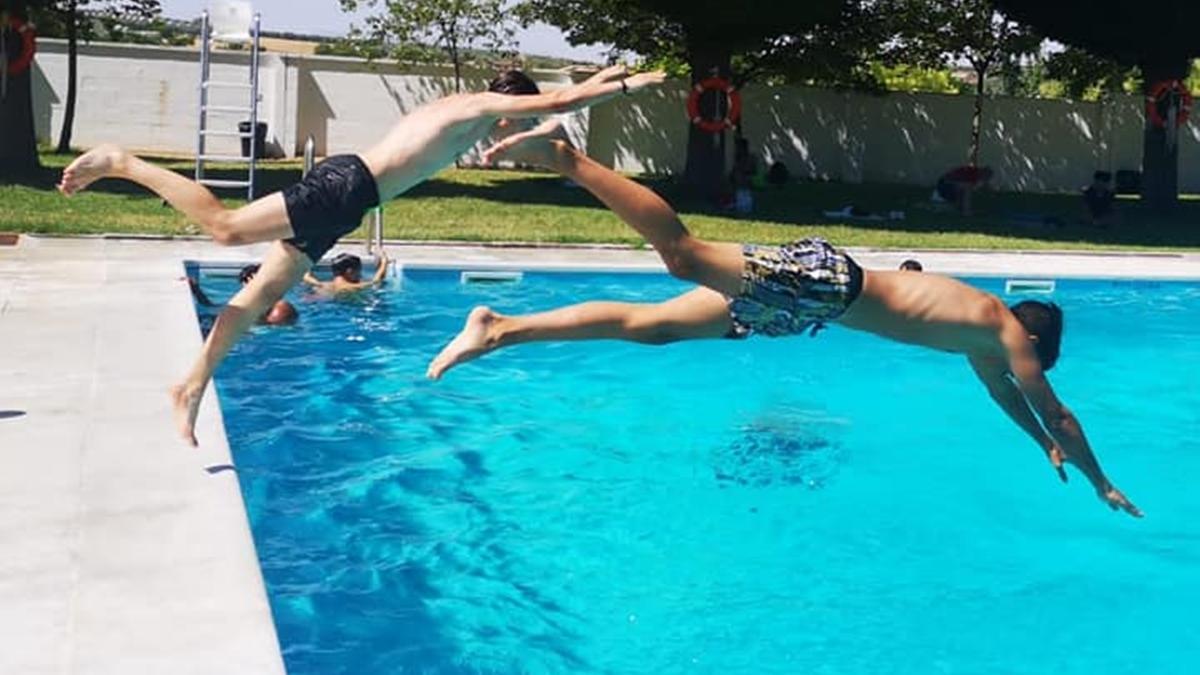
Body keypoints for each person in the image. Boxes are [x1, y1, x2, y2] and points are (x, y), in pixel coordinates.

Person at [427, 120, 1140, 517]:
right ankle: (569, 156)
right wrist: (1098, 476)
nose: (1028, 369)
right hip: (824, 285)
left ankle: (502, 328)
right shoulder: (1007, 331)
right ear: (1038, 340)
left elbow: (1012, 401)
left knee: (656, 327)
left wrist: (1039, 447)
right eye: (1038, 360)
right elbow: (1059, 412)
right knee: (681, 255)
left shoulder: (986, 339)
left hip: (808, 307)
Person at [57, 65, 666, 445]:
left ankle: (190, 385)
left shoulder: (461, 113)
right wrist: (619, 85)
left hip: (350, 200)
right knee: (225, 228)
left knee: (257, 299)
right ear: (504, 102)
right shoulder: (473, 106)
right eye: (508, 121)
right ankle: (121, 162)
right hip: (343, 188)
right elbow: (557, 103)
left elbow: (554, 109)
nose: (503, 137)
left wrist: (586, 92)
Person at [188, 263, 299, 326]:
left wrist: (257, 290)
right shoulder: (247, 303)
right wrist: (196, 290)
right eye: (245, 284)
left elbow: (276, 324)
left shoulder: (280, 305)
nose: (247, 288)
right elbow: (213, 307)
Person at [303, 251, 390, 295]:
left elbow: (306, 277)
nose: (360, 274)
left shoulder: (321, 285)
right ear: (349, 271)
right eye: (359, 270)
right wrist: (384, 263)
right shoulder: (352, 287)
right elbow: (376, 281)